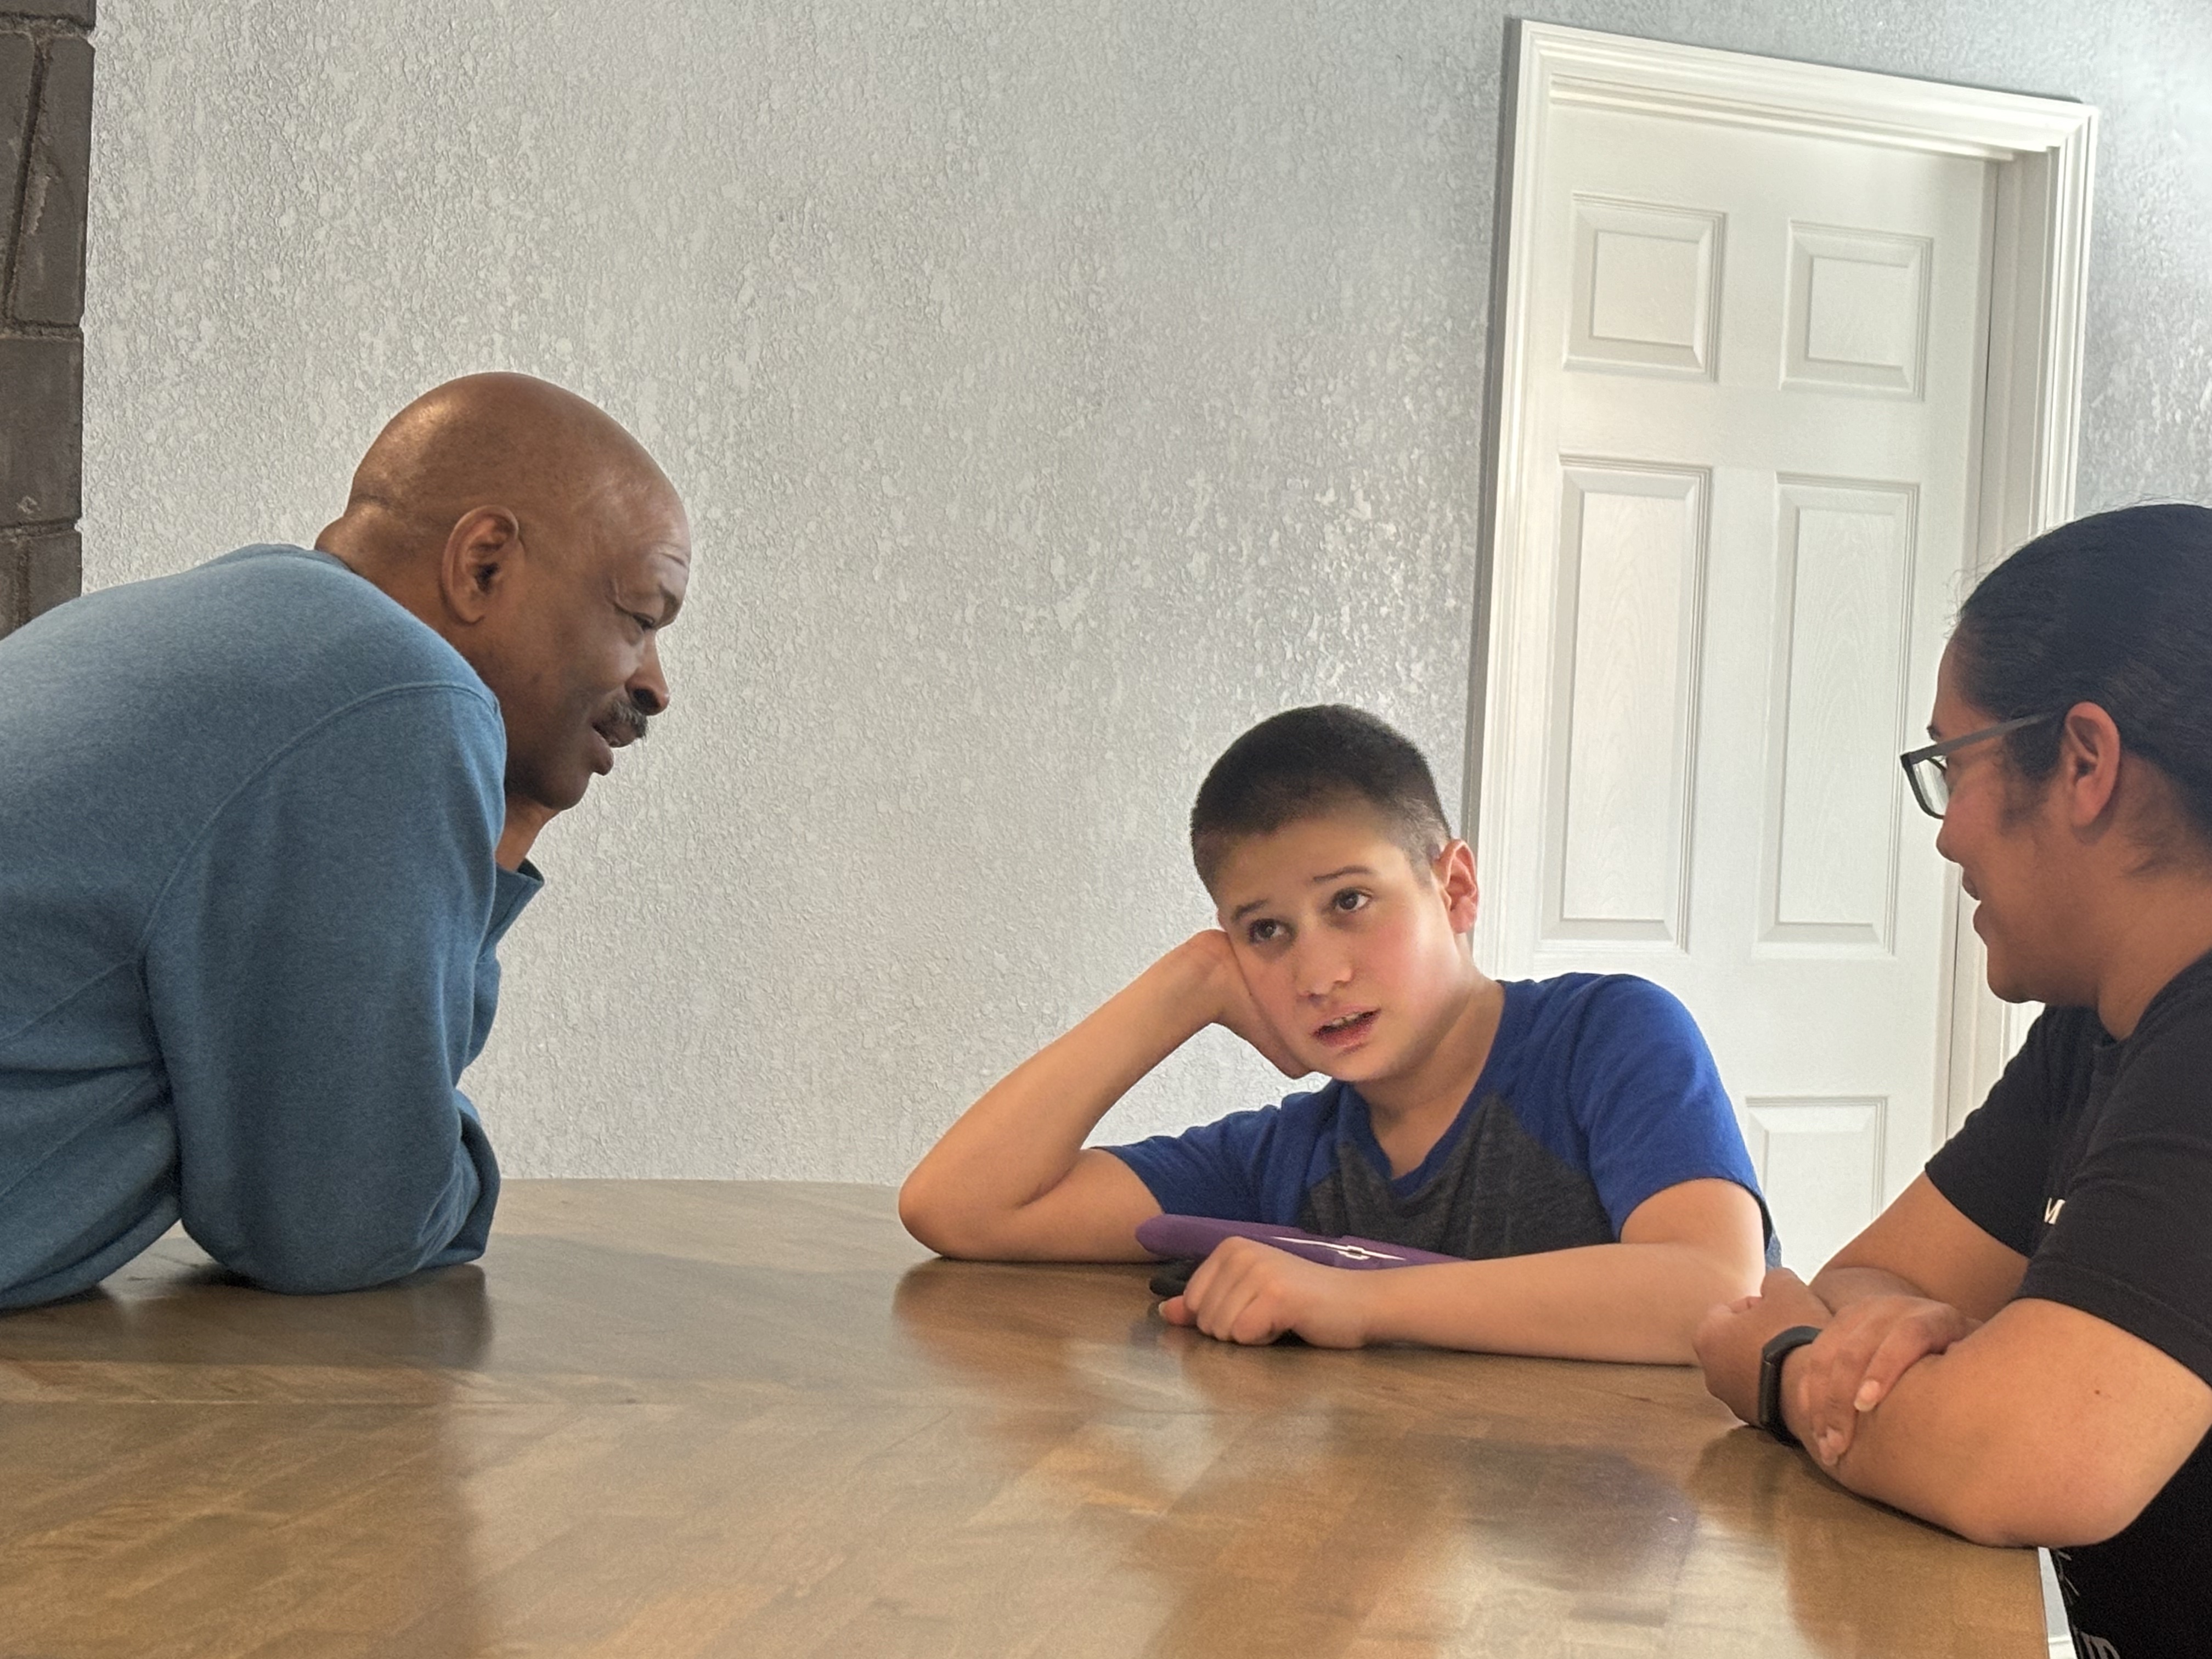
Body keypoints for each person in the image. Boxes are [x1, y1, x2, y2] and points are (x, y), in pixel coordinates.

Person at [0, 373, 690, 1308]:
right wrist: (464, 1182)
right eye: (641, 620)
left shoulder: (224, 626)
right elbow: (344, 1226)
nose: (655, 685)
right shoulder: (394, 694)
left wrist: (505, 818)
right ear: (483, 564)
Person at [1692, 504, 2212, 1657]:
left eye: (1952, 765)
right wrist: (1904, 1353)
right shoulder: (2099, 1028)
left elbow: (2028, 1456)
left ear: (2085, 761)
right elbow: (1864, 1278)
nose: (1945, 836)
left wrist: (1783, 1373)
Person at [900, 704, 1773, 1361]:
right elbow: (961, 1206)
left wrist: (1354, 1299)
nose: (1317, 976)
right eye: (1265, 932)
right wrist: (1188, 983)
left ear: (1456, 888)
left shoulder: (1606, 1036)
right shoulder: (1286, 1159)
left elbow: (1709, 1288)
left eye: (1350, 902)